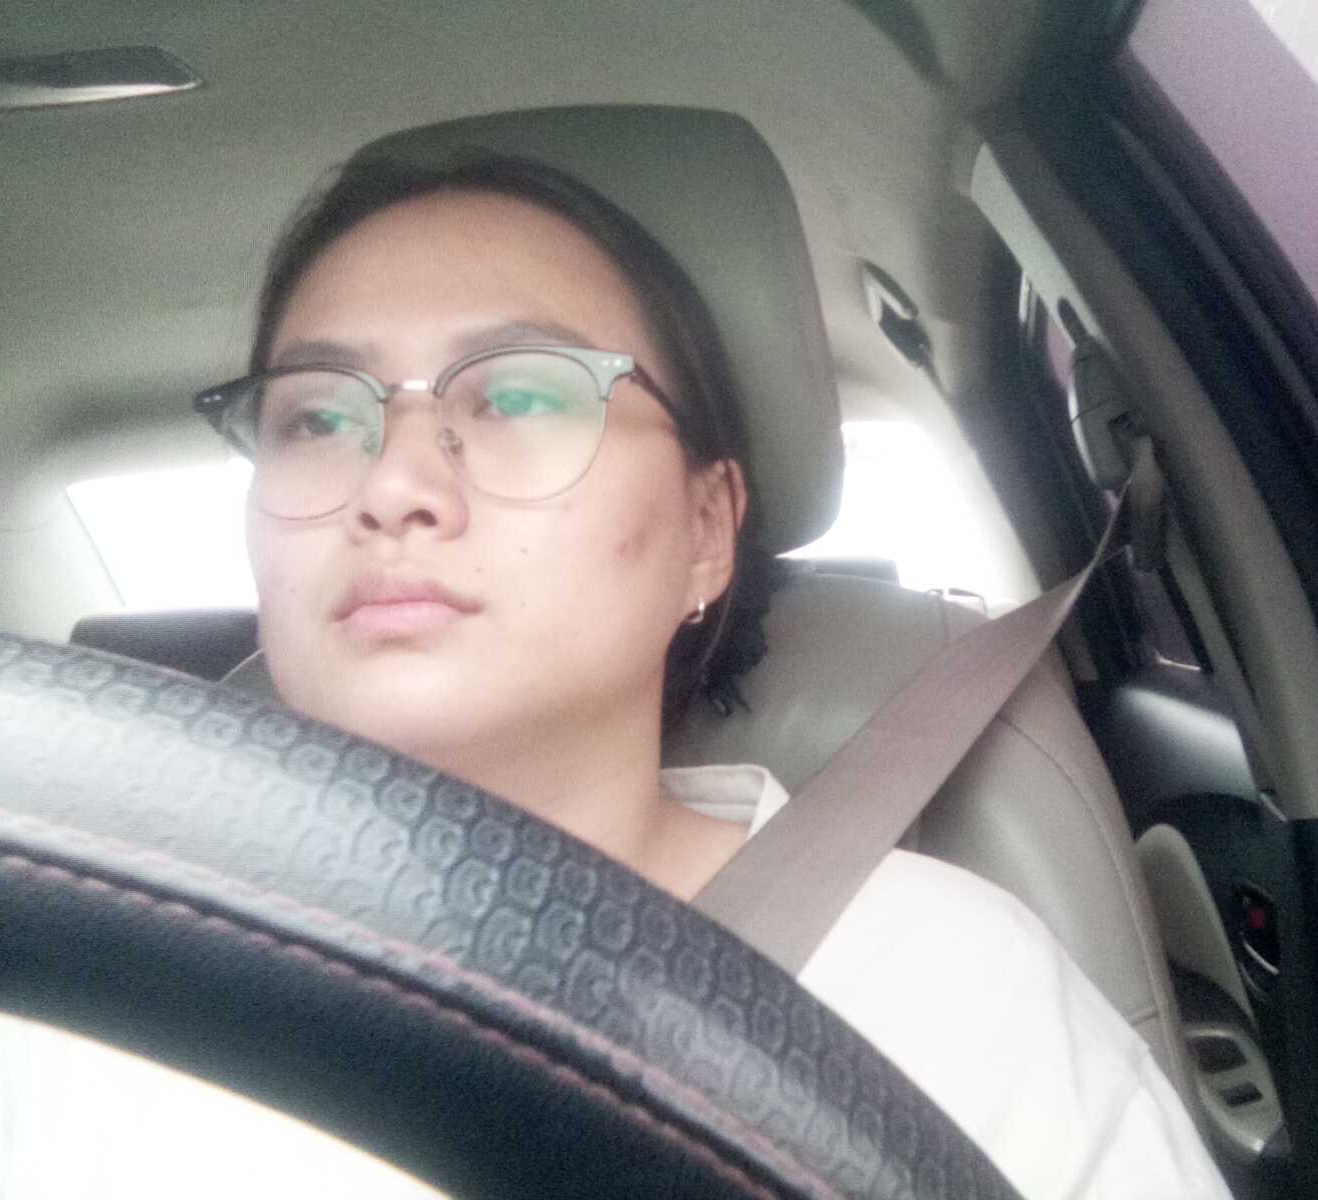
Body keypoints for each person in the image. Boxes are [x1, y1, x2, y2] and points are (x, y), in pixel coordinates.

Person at [196, 153, 1233, 1199]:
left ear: (704, 530)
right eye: (316, 418)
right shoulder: (114, 943)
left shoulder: (947, 993)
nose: (391, 485)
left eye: (517, 394)